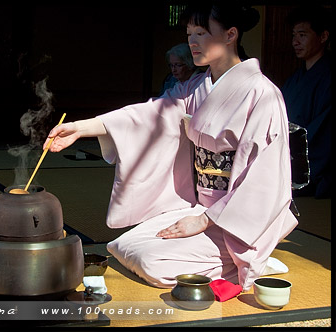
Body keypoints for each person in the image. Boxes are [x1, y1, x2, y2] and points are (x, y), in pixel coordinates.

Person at [44, 2, 297, 291]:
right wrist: (81, 128)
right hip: (200, 206)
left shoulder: (262, 94)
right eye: (190, 34)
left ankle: (251, 259)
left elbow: (264, 181)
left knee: (152, 262)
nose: (192, 42)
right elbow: (149, 116)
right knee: (125, 245)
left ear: (230, 35)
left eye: (201, 33)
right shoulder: (197, 87)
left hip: (236, 221)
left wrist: (204, 221)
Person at [281, 6, 331, 199]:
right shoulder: (295, 78)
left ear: (323, 36)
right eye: (294, 35)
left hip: (311, 172)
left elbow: (322, 135)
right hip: (286, 161)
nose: (295, 41)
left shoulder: (327, 77)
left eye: (302, 35)